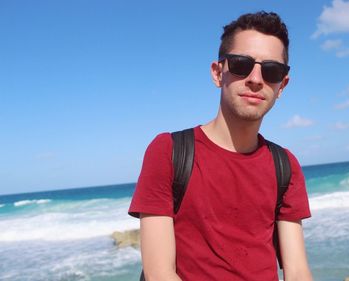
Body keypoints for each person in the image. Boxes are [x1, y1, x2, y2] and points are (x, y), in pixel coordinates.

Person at [129, 11, 313, 281]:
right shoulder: (168, 151)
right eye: (241, 64)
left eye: (271, 70)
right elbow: (160, 274)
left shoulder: (285, 165)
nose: (255, 79)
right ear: (217, 73)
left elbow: (297, 271)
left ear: (282, 85)